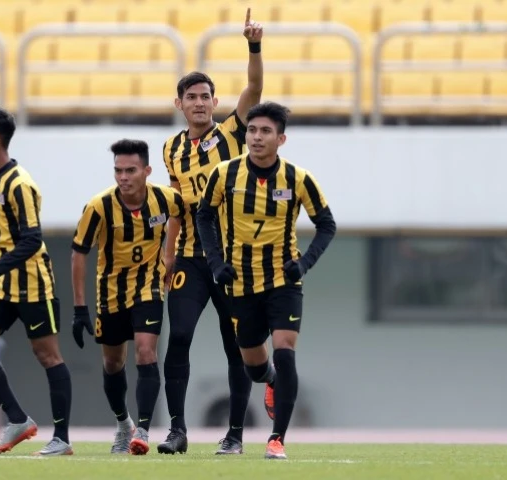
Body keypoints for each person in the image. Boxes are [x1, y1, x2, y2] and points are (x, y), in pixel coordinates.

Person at [196, 102, 337, 460]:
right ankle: (269, 379)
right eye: (252, 130)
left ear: (281, 139)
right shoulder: (225, 174)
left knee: (285, 350)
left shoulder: (298, 179)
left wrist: (303, 264)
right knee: (254, 366)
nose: (257, 137)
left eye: (265, 131)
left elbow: (326, 224)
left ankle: (277, 439)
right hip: (241, 284)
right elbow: (204, 216)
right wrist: (215, 262)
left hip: (282, 282)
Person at [158, 7, 264, 456]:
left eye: (206, 96)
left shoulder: (232, 135)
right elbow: (176, 206)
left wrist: (253, 46)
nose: (199, 103)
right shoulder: (170, 149)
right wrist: (167, 256)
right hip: (190, 257)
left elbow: (254, 89)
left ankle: (235, 435)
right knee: (179, 336)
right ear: (179, 104)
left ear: (215, 103)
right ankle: (176, 430)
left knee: (235, 345)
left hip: (232, 260)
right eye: (192, 97)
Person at [0, 108, 73, 456]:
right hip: (0, 284)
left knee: (47, 355)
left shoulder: (20, 183)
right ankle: (17, 420)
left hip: (33, 284)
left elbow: (31, 240)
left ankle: (61, 439)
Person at [71, 139, 185, 455]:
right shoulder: (99, 206)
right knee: (112, 362)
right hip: (110, 294)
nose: (123, 177)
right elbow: (78, 253)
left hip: (148, 288)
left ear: (147, 171)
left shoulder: (165, 198)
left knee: (146, 352)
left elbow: (184, 214)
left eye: (130, 170)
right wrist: (80, 308)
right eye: (118, 170)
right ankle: (124, 424)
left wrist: (171, 253)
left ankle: (143, 431)